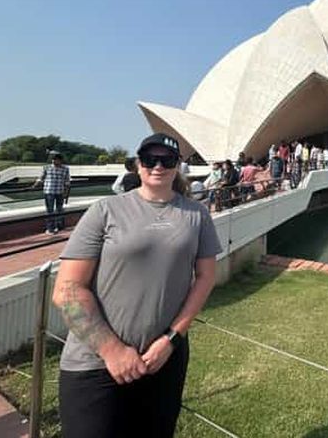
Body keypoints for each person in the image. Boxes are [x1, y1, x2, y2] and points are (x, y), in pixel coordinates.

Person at [53, 132, 222, 438]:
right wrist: (112, 350)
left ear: (178, 165)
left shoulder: (197, 215)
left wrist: (170, 340)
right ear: (138, 164)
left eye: (167, 159)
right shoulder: (105, 211)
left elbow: (206, 277)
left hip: (163, 359)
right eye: (149, 159)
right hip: (96, 363)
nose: (158, 166)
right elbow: (67, 289)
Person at [32, 151, 71, 234]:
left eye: (56, 160)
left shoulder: (65, 169)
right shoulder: (47, 167)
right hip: (49, 191)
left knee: (59, 210)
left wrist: (66, 193)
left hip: (60, 191)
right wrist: (34, 186)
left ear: (60, 160)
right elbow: (41, 178)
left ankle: (58, 226)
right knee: (50, 211)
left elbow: (67, 182)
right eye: (53, 160)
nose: (54, 161)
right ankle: (50, 228)